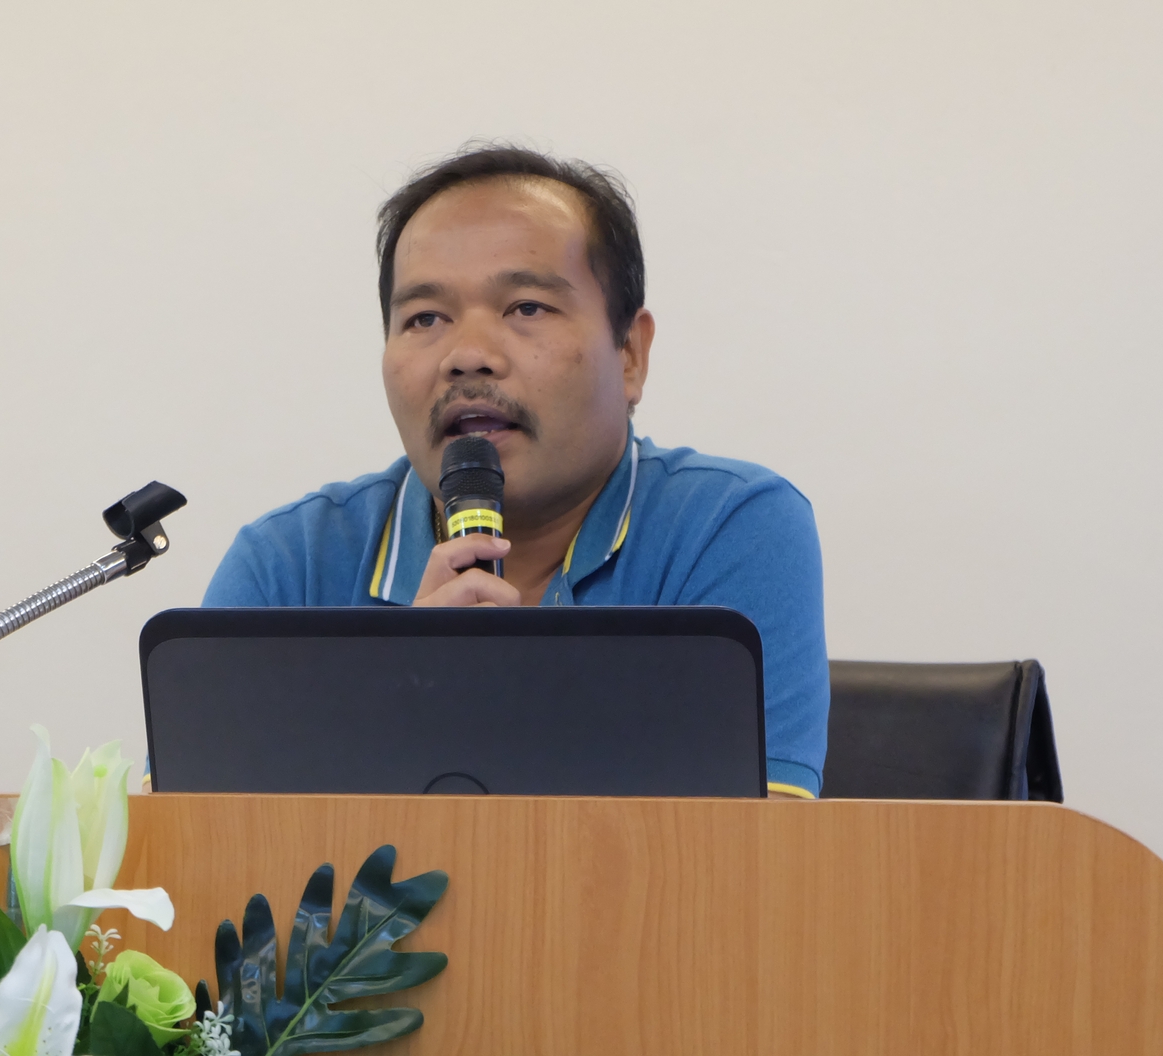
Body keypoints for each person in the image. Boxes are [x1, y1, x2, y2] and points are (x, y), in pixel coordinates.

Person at [204, 145, 829, 797]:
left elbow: (753, 847)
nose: (468, 355)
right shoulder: (287, 567)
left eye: (526, 307)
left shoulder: (728, 530)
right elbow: (191, 843)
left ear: (630, 354)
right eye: (424, 318)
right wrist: (399, 696)